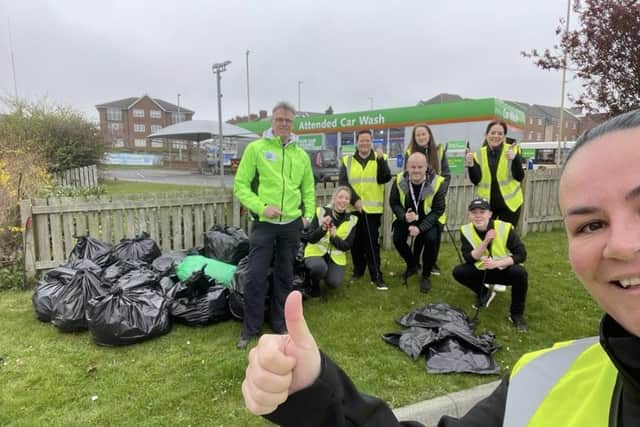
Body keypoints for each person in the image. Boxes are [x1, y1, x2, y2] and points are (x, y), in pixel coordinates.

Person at [241, 109, 640, 425]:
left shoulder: (439, 184)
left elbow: (438, 212)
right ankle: (408, 271)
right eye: (591, 224)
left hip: (428, 226)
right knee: (399, 251)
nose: (622, 245)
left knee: (435, 245)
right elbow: (402, 210)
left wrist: (463, 239)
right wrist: (316, 392)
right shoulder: (536, 382)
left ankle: (424, 273)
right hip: (357, 226)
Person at [233, 101, 316, 349]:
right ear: (272, 120)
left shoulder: (300, 154)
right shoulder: (256, 149)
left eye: (288, 121)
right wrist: (261, 208)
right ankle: (251, 328)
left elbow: (308, 188)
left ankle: (279, 324)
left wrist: (308, 214)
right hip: (264, 225)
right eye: (279, 119)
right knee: (256, 276)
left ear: (293, 124)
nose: (283, 124)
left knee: (284, 276)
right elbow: (241, 185)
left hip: (291, 225)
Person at [452, 198, 529, 331]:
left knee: (521, 274)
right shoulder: (466, 230)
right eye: (474, 212)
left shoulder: (504, 227)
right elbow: (468, 258)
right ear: (469, 215)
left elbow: (521, 254)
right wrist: (485, 242)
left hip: (502, 270)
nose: (478, 216)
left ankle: (516, 315)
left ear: (490, 214)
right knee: (458, 272)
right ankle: (484, 293)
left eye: (482, 212)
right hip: (481, 271)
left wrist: (497, 263)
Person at [339, 129, 392, 290]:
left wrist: (382, 159)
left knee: (371, 243)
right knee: (355, 243)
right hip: (353, 209)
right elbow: (343, 183)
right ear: (357, 142)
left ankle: (377, 276)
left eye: (367, 140)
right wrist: (355, 200)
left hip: (372, 211)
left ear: (371, 142)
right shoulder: (347, 160)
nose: (364, 143)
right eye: (361, 140)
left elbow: (385, 178)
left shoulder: (379, 158)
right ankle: (358, 271)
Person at [389, 152, 445, 293]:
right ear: (407, 167)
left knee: (431, 240)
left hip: (428, 218)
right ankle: (413, 265)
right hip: (407, 217)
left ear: (426, 167)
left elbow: (438, 209)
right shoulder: (399, 180)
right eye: (413, 167)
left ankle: (426, 275)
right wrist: (403, 216)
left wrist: (420, 228)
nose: (416, 170)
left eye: (420, 167)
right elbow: (394, 202)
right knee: (397, 239)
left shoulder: (437, 182)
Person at [404, 124, 451, 276]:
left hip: (436, 199)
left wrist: (440, 192)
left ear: (429, 135)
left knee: (434, 235)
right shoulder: (409, 152)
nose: (421, 137)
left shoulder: (439, 150)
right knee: (419, 233)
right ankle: (415, 263)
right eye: (418, 135)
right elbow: (405, 176)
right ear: (414, 138)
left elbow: (446, 174)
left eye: (423, 134)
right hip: (417, 199)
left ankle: (431, 263)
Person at [466, 120, 524, 227]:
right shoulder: (478, 153)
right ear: (486, 134)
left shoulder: (512, 150)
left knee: (506, 238)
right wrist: (470, 165)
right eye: (492, 133)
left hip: (510, 204)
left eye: (500, 133)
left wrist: (515, 159)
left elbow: (520, 177)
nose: (496, 136)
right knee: (487, 237)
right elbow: (476, 180)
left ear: (504, 136)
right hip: (487, 205)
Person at [303, 186, 358, 297]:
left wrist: (334, 237)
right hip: (315, 252)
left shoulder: (352, 220)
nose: (343, 201)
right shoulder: (321, 211)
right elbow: (310, 238)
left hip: (335, 258)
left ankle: (325, 274)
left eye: (347, 198)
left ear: (349, 202)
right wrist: (322, 229)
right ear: (334, 198)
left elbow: (347, 246)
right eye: (340, 197)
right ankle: (314, 285)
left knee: (334, 283)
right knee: (319, 268)